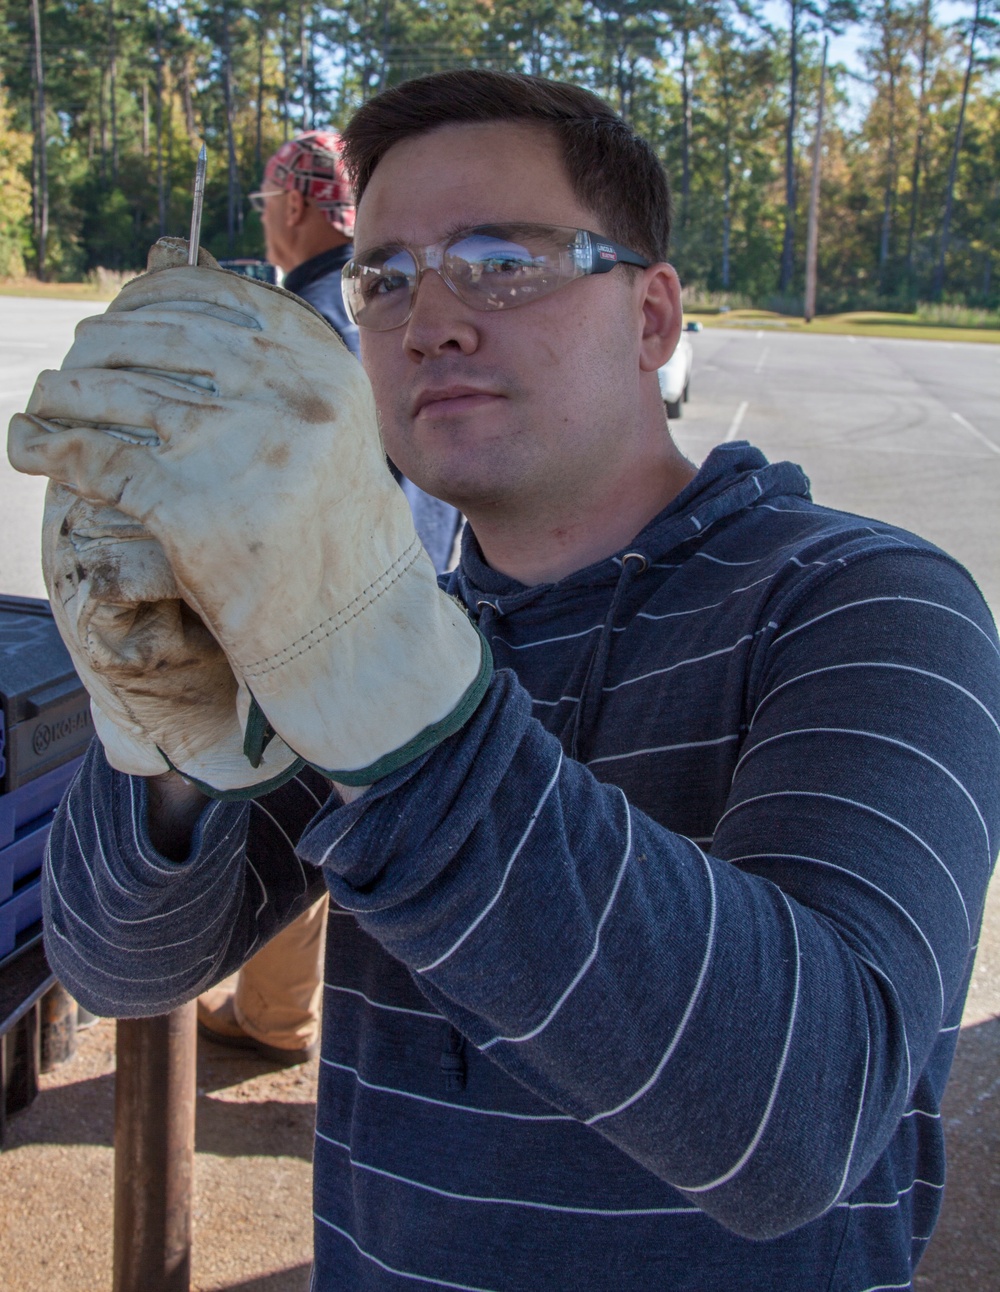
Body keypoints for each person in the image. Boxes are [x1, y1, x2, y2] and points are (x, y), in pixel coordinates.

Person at [10, 70, 1000, 1292]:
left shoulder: (872, 601)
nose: (430, 318)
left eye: (501, 258)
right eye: (382, 277)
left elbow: (799, 1129)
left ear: (652, 318)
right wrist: (161, 738)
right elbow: (124, 964)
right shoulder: (386, 614)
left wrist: (397, 698)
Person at [198, 129, 462, 1064]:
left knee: (297, 812)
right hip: (424, 601)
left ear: (298, 205)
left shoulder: (297, 325)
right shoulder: (389, 308)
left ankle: (278, 1013)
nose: (266, 216)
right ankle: (290, 1005)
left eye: (271, 199)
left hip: (327, 626)